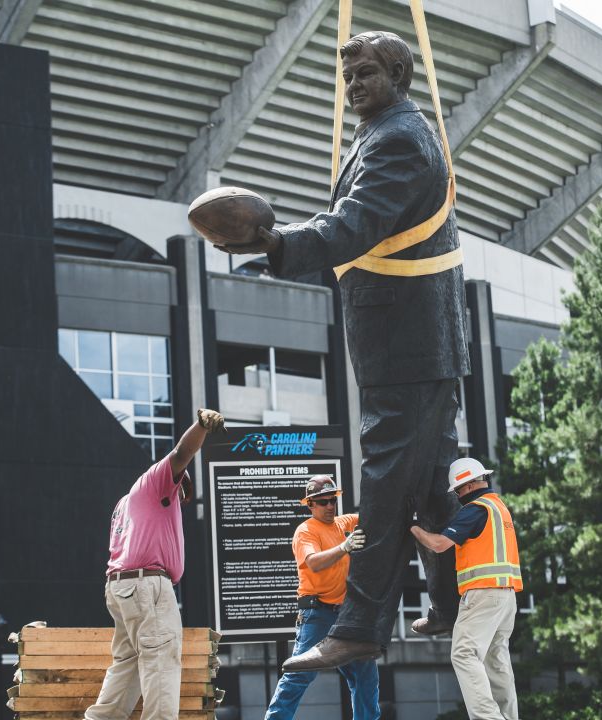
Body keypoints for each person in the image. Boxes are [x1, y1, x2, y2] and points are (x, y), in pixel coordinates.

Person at [216, 30, 469, 671]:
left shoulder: (399, 141)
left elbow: (353, 226)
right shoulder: (382, 134)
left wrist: (275, 244)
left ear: (399, 76)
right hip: (413, 339)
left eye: (366, 74)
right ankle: (451, 603)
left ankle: (358, 626)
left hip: (406, 341)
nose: (353, 85)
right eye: (347, 75)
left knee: (384, 484)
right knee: (430, 482)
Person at [83, 409, 226, 720]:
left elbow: (178, 467)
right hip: (147, 586)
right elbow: (182, 452)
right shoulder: (152, 482)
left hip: (121, 587)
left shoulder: (125, 504)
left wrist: (180, 479)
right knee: (161, 659)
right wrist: (201, 425)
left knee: (129, 662)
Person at [410, 458, 522, 720]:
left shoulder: (476, 509)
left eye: (458, 490)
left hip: (483, 595)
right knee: (496, 660)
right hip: (506, 597)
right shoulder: (499, 508)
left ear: (470, 484)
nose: (458, 495)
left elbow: (439, 544)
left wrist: (413, 527)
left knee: (463, 653)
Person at [265, 475, 379, 720]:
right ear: (310, 505)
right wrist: (344, 547)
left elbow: (376, 517)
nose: (329, 506)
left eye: (332, 501)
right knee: (300, 673)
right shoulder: (305, 531)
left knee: (365, 674)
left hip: (345, 616)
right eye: (323, 502)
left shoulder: (343, 523)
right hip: (317, 615)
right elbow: (313, 563)